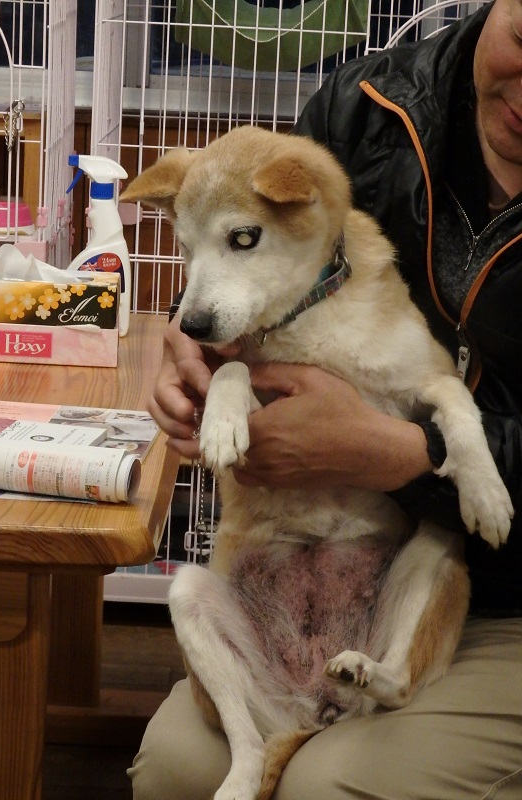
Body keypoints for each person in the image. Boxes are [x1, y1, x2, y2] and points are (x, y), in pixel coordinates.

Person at [130, 1, 522, 797]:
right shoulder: (364, 107)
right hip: (298, 572)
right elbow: (252, 246)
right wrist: (192, 347)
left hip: (496, 592)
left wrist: (410, 458)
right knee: (176, 768)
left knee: (326, 785)